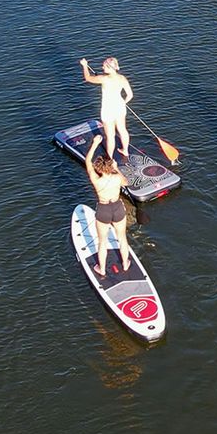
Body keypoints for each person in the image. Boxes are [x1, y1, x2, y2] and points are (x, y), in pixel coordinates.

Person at [85, 134, 130, 276]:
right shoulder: (116, 177)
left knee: (102, 241)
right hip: (117, 207)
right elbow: (126, 182)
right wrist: (116, 168)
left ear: (98, 167)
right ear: (110, 165)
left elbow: (87, 161)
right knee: (122, 238)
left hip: (103, 209)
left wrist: (95, 143)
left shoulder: (96, 180)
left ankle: (102, 269)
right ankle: (125, 264)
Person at [79, 56, 133, 160]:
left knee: (110, 135)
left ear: (109, 67)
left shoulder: (104, 79)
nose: (102, 67)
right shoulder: (122, 78)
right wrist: (123, 103)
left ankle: (110, 158)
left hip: (108, 110)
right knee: (122, 130)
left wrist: (85, 66)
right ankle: (125, 150)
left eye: (104, 66)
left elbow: (88, 78)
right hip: (120, 107)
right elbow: (130, 95)